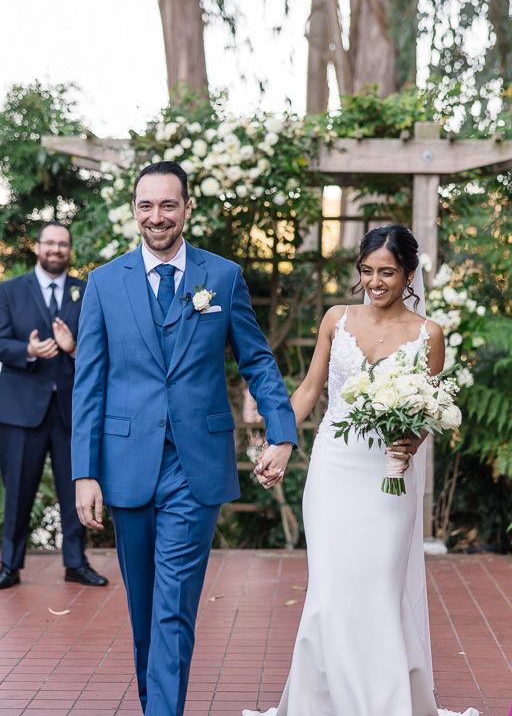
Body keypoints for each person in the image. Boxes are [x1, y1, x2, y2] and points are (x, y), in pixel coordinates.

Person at [71, 160, 297, 716]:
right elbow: (89, 385)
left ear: (187, 208)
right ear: (134, 209)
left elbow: (258, 361)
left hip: (194, 466)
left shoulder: (220, 277)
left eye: (168, 205)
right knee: (145, 607)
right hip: (125, 463)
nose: (157, 217)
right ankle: (157, 704)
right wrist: (84, 472)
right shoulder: (104, 283)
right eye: (146, 205)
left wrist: (282, 431)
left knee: (173, 605)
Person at [245, 224, 478, 716]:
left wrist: (410, 442)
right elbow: (310, 390)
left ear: (408, 274)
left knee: (377, 589)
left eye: (387, 272)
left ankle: (383, 703)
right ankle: (322, 704)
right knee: (330, 590)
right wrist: (278, 439)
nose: (376, 281)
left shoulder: (428, 334)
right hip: (334, 469)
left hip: (389, 476)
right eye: (368, 271)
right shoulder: (337, 318)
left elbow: (429, 413)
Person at [0, 222, 108, 589]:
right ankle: (9, 564)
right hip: (20, 411)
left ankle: (76, 563)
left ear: (69, 250)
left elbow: (99, 346)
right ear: (37, 247)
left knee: (74, 486)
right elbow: (0, 342)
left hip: (71, 410)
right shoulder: (9, 291)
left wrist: (73, 348)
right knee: (17, 491)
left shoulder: (87, 291)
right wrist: (26, 350)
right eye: (49, 243)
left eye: (63, 244)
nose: (56, 250)